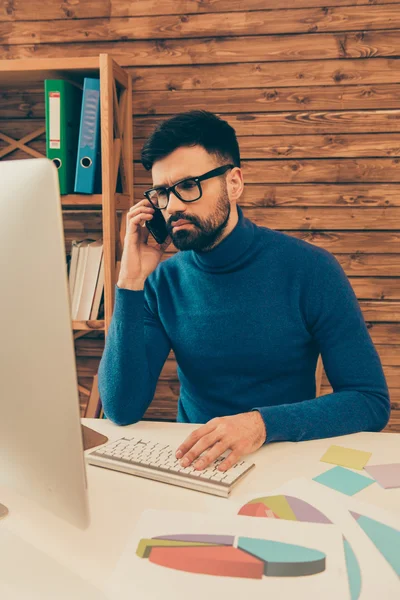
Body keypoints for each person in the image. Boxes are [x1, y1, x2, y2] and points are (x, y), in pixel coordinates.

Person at [98, 110, 390, 474]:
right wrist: (130, 284)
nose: (172, 206)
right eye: (162, 193)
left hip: (285, 459)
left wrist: (260, 425)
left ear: (234, 183)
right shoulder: (163, 281)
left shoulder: (311, 270)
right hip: (196, 465)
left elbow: (369, 401)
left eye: (189, 185)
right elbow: (121, 409)